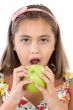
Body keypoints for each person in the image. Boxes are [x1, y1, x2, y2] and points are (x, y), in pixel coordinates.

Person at [0, 4, 73, 110]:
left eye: (43, 40)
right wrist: (12, 100)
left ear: (55, 44)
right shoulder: (2, 82)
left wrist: (55, 103)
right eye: (25, 40)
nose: (34, 50)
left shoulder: (69, 83)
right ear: (13, 44)